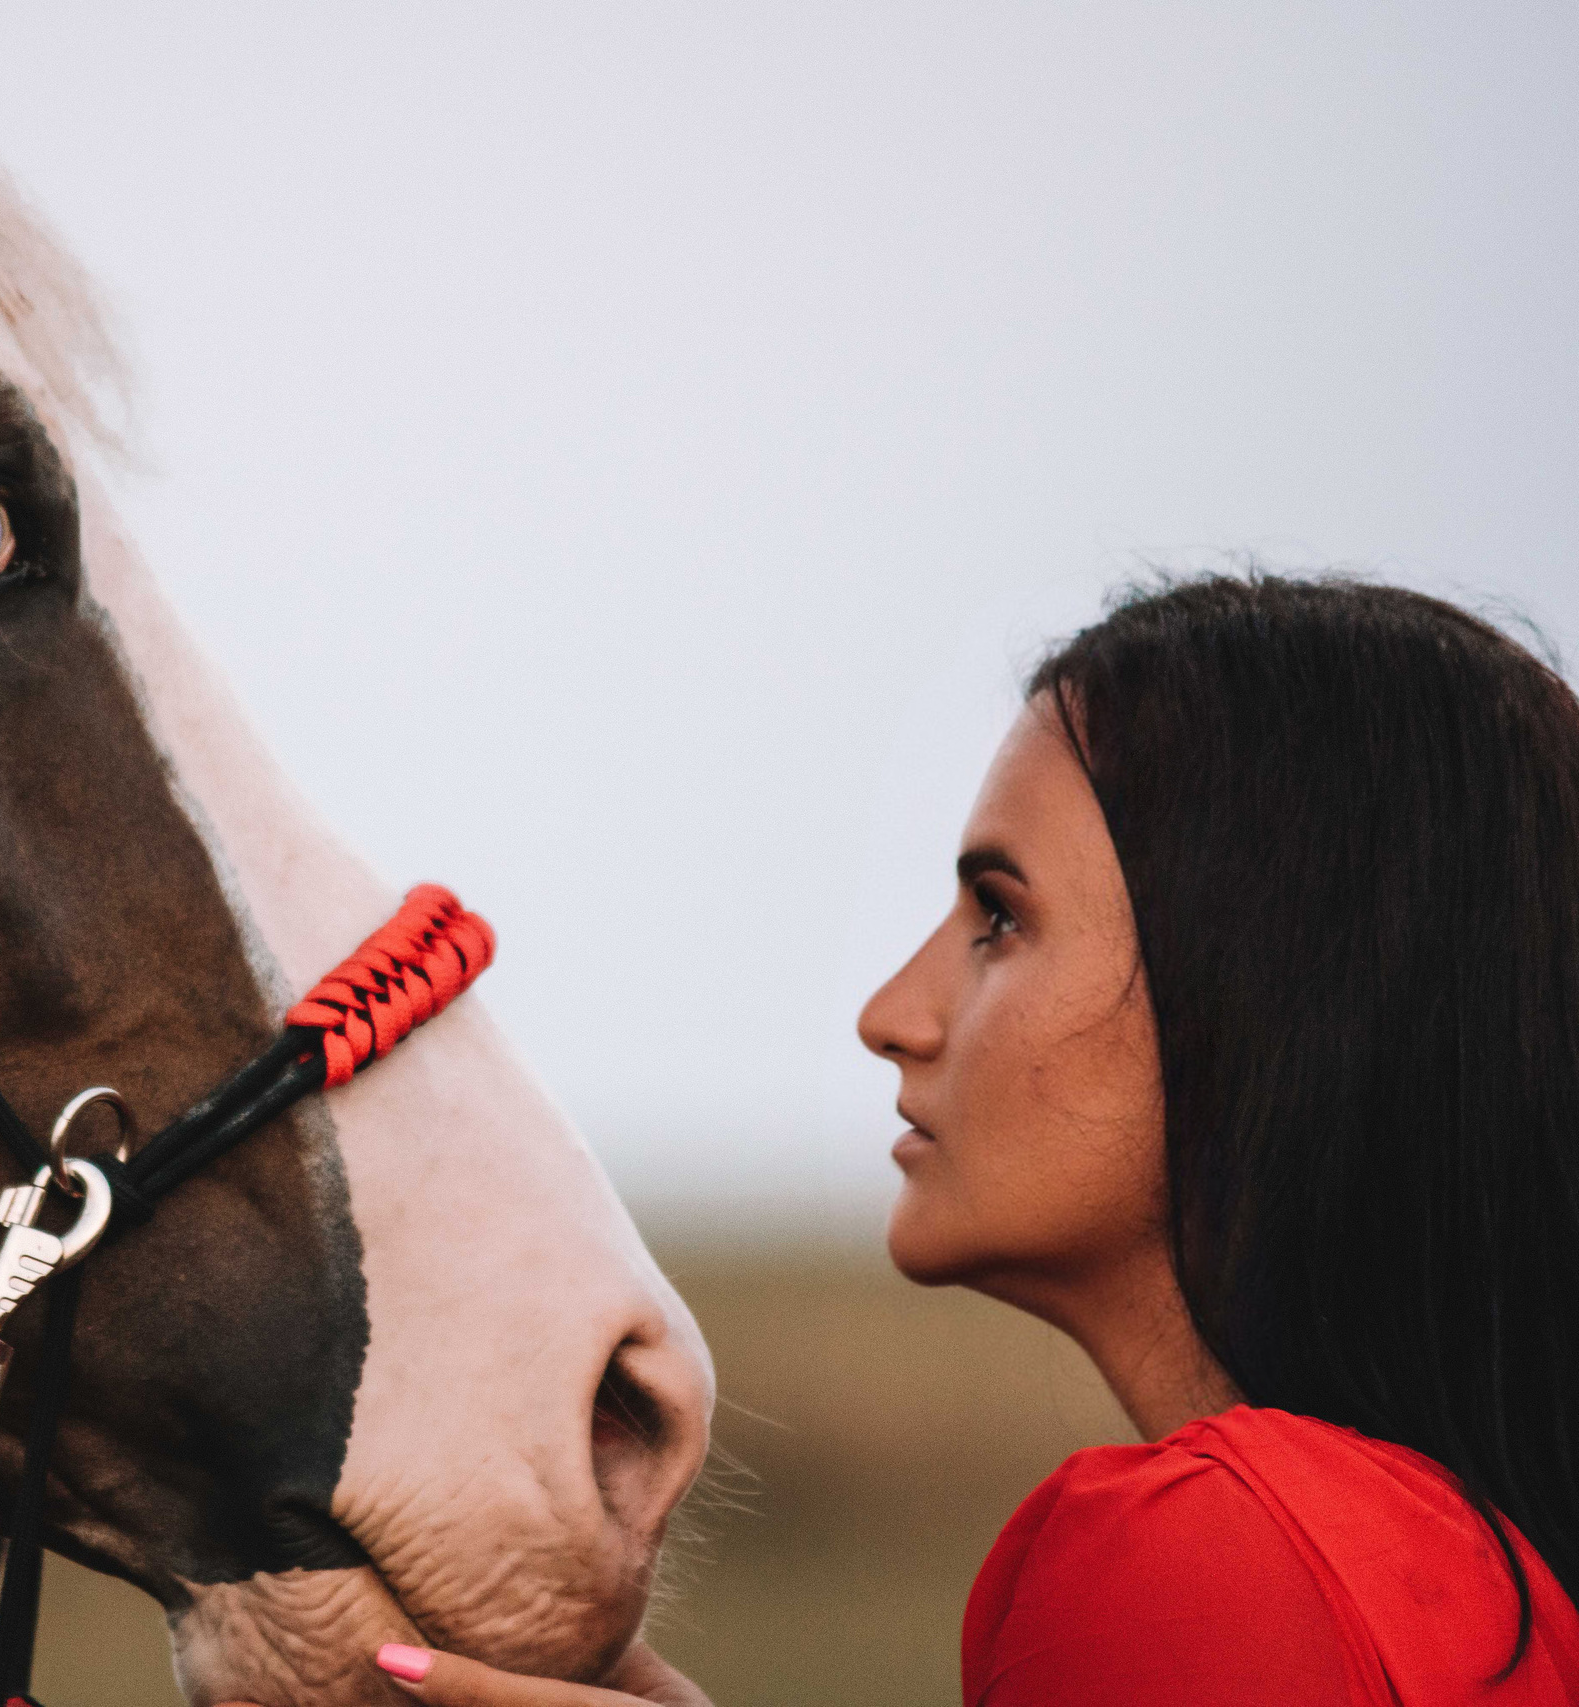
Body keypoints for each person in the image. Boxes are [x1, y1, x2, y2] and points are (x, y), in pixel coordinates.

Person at [355, 576, 1579, 1705]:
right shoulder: (1480, 1587)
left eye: (998, 917)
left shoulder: (1210, 1558)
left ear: (1272, 988)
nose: (891, 1015)